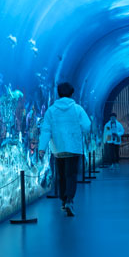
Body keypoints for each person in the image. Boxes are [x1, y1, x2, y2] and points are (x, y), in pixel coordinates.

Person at [38, 82, 91, 217]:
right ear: (72, 93)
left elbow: (46, 130)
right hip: (73, 148)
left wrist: (41, 148)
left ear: (58, 94)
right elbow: (87, 126)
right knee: (71, 175)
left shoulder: (51, 110)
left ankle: (62, 200)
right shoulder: (77, 109)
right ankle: (69, 200)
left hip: (58, 149)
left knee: (60, 175)